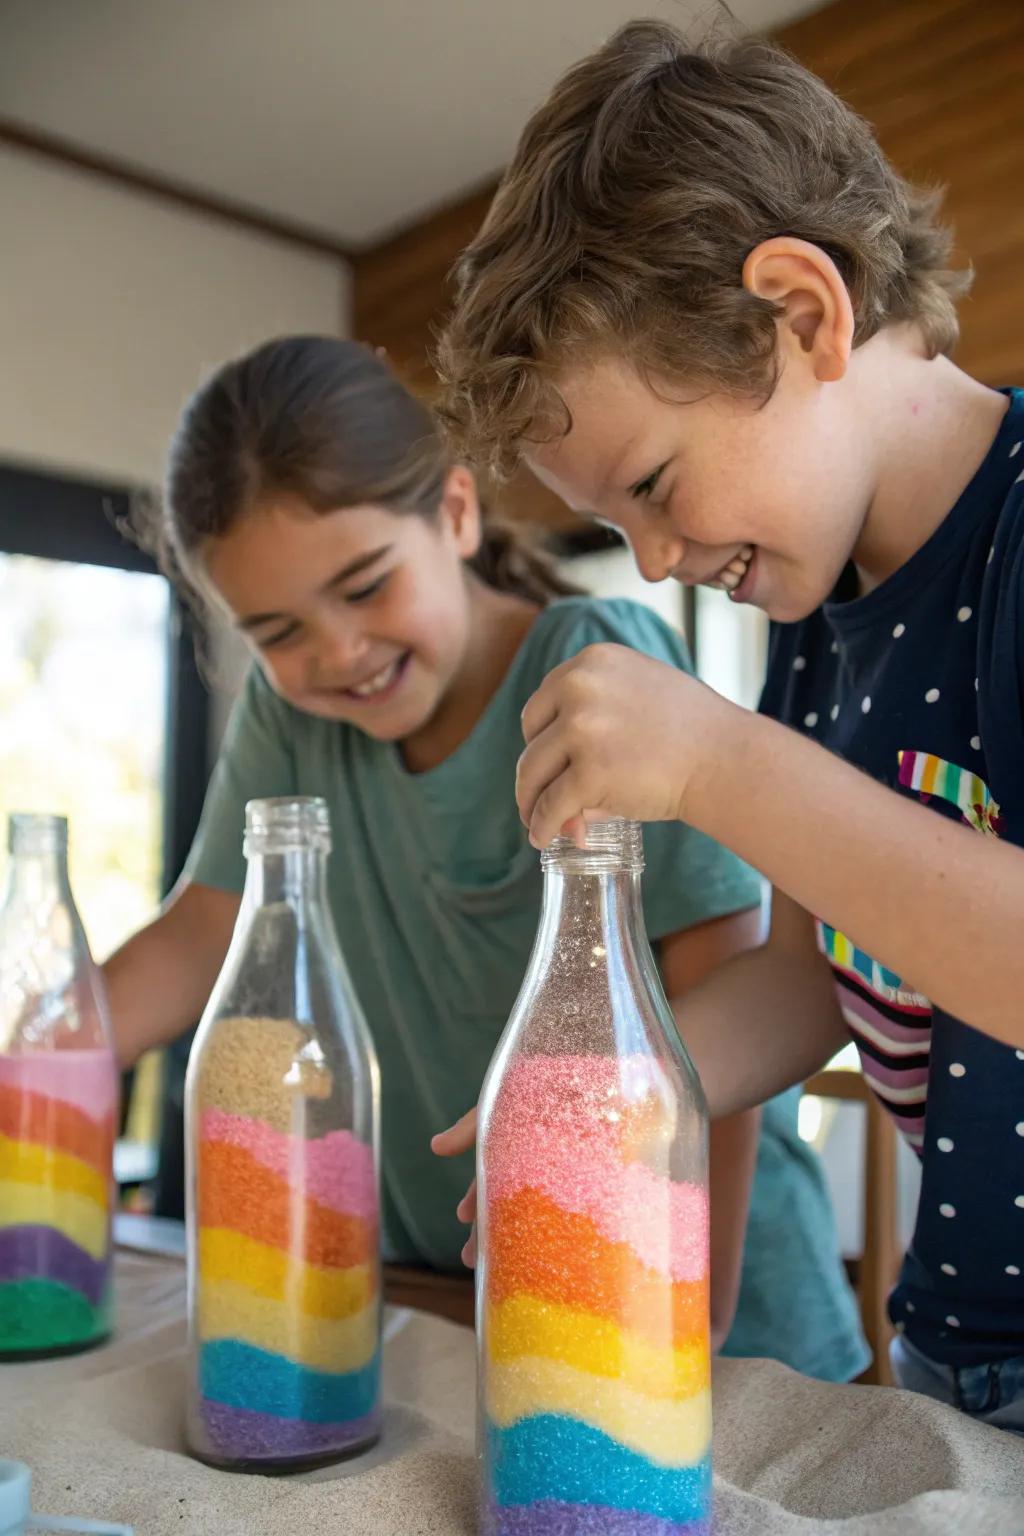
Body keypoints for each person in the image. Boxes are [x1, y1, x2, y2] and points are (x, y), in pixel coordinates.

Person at [434, 19, 1024, 1428]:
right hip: (958, 1344)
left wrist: (717, 762)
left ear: (801, 313)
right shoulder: (821, 626)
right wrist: (627, 1093)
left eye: (653, 482)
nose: (648, 560)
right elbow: (854, 952)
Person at [105, 334, 865, 1378]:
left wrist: (698, 1299)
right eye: (276, 631)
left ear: (455, 513)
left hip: (702, 1323)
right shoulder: (291, 723)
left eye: (365, 587)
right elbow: (197, 939)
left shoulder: (597, 671)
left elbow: (720, 984)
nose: (335, 654)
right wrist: (35, 1059)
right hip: (459, 1304)